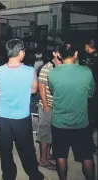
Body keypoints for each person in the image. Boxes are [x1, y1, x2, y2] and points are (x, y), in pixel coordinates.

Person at [0, 39, 48, 180]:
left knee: (5, 149)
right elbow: (33, 90)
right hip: (21, 118)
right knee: (26, 149)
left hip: (2, 117)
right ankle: (34, 175)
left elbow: (1, 86)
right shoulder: (30, 71)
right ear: (21, 52)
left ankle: (8, 175)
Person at [48, 42, 95, 180]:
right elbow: (90, 93)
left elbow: (53, 91)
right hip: (81, 123)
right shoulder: (86, 71)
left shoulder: (53, 73)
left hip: (59, 123)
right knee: (87, 157)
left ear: (60, 55)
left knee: (60, 156)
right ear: (76, 54)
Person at [36, 48, 62, 170]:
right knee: (45, 132)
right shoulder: (48, 67)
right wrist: (46, 105)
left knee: (51, 132)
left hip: (57, 106)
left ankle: (47, 154)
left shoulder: (63, 66)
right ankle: (43, 159)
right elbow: (41, 86)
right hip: (48, 105)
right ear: (54, 53)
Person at [82, 38, 98, 145]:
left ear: (88, 46)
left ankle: (90, 143)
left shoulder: (93, 59)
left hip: (93, 91)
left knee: (91, 115)